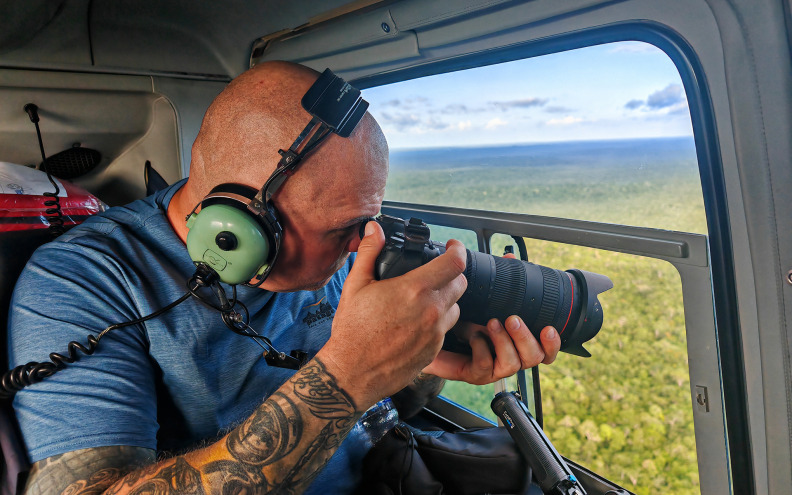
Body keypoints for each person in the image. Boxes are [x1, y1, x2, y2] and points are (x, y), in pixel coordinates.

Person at [8, 61, 560, 494]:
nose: (360, 244)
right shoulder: (80, 282)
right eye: (345, 228)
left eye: (367, 222)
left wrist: (419, 362)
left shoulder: (341, 254)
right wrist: (347, 375)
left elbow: (387, 415)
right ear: (238, 226)